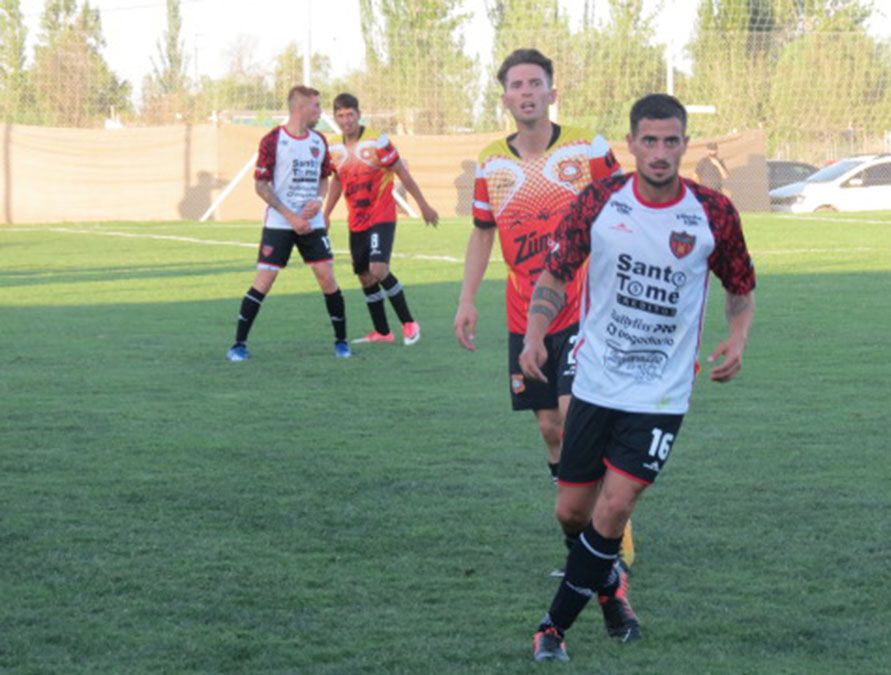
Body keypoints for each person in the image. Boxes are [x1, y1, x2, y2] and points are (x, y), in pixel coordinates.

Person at [520, 93, 757, 662]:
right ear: (631, 144)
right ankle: (608, 592)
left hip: (661, 392)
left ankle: (551, 629)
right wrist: (534, 333)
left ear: (684, 144)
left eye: (670, 140)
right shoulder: (601, 200)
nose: (659, 152)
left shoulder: (713, 212)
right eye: (648, 141)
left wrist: (737, 338)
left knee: (614, 508)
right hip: (597, 379)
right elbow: (555, 271)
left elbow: (741, 286)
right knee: (571, 512)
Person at [453, 49, 635, 569]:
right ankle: (578, 541)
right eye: (517, 84)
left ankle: (608, 540)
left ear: (552, 93)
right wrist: (467, 300)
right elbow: (482, 233)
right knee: (550, 428)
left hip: (584, 309)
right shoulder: (491, 160)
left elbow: (624, 207)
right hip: (522, 315)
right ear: (505, 97)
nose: (527, 92)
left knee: (578, 419)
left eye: (536, 83)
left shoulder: (587, 147)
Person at [226, 85, 350, 361]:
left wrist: (318, 200)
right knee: (265, 280)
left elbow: (323, 179)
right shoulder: (272, 140)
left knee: (326, 276)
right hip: (280, 223)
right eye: (316, 106)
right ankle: (238, 344)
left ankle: (341, 342)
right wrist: (290, 215)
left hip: (312, 223)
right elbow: (260, 185)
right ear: (299, 108)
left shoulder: (318, 141)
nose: (319, 111)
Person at [323, 92, 439, 345]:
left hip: (381, 215)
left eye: (350, 115)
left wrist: (423, 205)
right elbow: (338, 181)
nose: (346, 121)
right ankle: (382, 332)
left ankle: (409, 322)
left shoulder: (377, 141)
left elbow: (402, 174)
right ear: (335, 118)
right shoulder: (332, 147)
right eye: (340, 116)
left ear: (358, 115)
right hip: (356, 219)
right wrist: (326, 213)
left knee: (378, 269)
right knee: (365, 275)